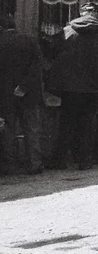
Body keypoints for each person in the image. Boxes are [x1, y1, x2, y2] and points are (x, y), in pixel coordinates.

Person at [46, 2, 98, 170]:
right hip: (96, 87)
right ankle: (85, 160)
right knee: (89, 123)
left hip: (70, 87)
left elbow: (52, 54)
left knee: (67, 123)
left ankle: (60, 160)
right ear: (97, 15)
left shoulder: (66, 32)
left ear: (80, 14)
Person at [0, 14, 47, 174]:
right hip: (28, 95)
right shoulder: (30, 40)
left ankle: (10, 165)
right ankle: (35, 164)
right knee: (32, 130)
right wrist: (24, 87)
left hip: (5, 96)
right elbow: (37, 67)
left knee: (8, 130)